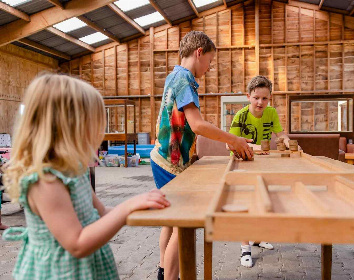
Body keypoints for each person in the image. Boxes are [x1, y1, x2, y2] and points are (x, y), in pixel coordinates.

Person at [2, 74, 170, 279]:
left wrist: (139, 206)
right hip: (59, 272)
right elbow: (77, 243)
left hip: (86, 269)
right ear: (68, 128)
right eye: (94, 125)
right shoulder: (45, 182)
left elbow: (101, 213)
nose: (99, 134)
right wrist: (127, 208)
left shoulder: (74, 170)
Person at [150, 30, 253, 280]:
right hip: (171, 163)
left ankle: (163, 271)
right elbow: (197, 125)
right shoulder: (185, 79)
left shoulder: (174, 75)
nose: (209, 68)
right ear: (199, 53)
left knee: (170, 220)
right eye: (209, 61)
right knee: (183, 224)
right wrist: (234, 139)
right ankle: (171, 277)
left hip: (161, 158)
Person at [228, 75, 291, 268]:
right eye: (256, 98)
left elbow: (280, 133)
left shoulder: (271, 113)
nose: (260, 102)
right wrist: (253, 147)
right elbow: (229, 144)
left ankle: (258, 238)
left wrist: (286, 140)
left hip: (263, 163)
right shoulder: (241, 116)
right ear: (248, 96)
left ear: (269, 99)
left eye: (265, 98)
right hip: (243, 163)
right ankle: (245, 248)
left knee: (264, 200)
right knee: (246, 204)